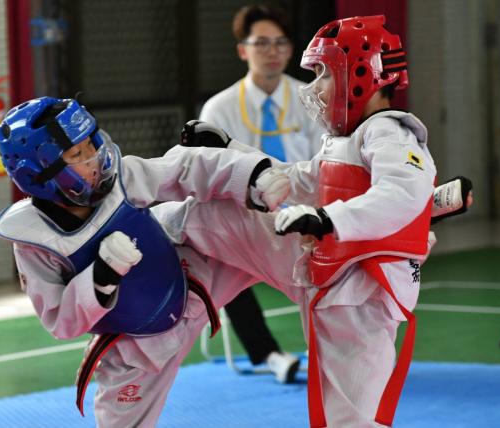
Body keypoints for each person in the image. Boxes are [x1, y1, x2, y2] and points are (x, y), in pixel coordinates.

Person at [176, 15, 472, 427]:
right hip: (331, 277)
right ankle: (161, 227)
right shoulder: (346, 139)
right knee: (217, 217)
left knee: (350, 418)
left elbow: (401, 194)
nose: (315, 87)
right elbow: (298, 180)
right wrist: (232, 150)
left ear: (363, 74)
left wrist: (326, 218)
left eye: (325, 74)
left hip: (364, 293)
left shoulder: (391, 133)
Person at [0, 96, 293, 427]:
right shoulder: (36, 242)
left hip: (193, 280)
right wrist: (101, 277)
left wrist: (252, 174)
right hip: (135, 350)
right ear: (38, 174)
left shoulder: (122, 179)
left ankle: (319, 245)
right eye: (77, 154)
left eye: (91, 145)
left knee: (265, 232)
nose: (93, 159)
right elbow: (61, 321)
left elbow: (183, 168)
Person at [198, 3, 325, 382]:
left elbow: (326, 165)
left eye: (281, 43)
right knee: (219, 256)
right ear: (243, 50)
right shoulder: (218, 110)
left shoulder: (312, 99)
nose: (273, 51)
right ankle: (269, 355)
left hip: (306, 217)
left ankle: (328, 351)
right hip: (246, 220)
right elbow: (210, 175)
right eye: (262, 43)